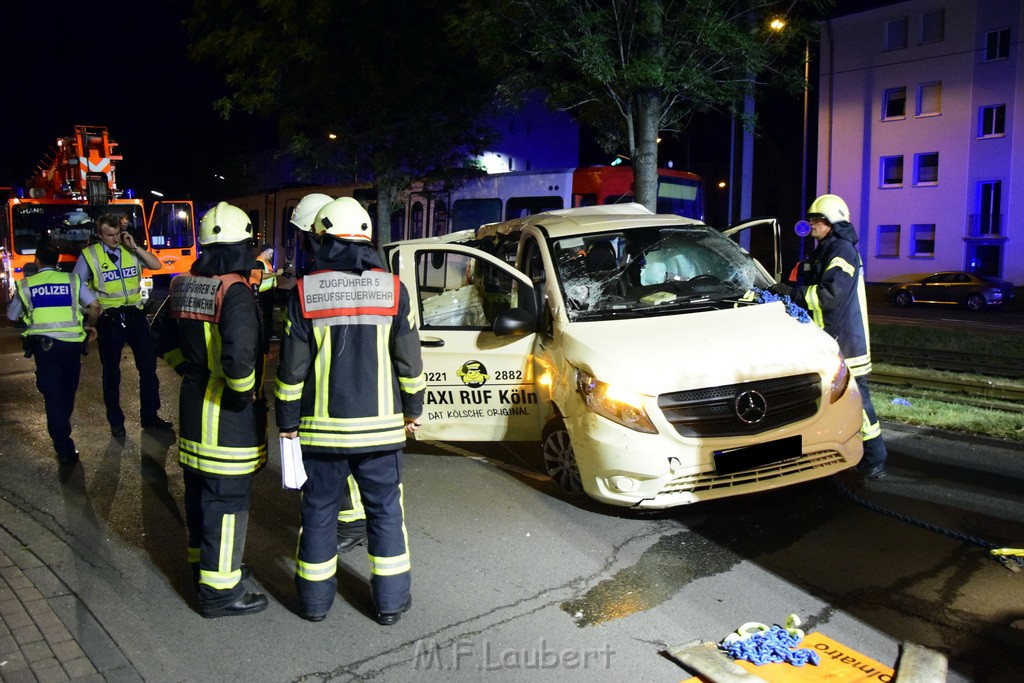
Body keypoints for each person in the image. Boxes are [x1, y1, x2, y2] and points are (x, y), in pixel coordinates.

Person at [275, 197, 425, 624]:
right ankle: (391, 604)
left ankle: (314, 603)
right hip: (381, 435)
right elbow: (409, 363)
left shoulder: (305, 292)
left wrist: (286, 423)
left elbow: (291, 371)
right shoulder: (394, 289)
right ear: (367, 239)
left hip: (322, 435)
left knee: (319, 513)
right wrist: (412, 410)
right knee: (385, 514)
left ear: (322, 239)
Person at [155, 201, 269, 618]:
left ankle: (206, 566)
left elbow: (159, 339)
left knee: (200, 493)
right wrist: (241, 396)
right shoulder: (235, 291)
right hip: (226, 419)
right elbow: (240, 363)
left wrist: (188, 370)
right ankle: (221, 592)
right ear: (242, 243)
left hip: (192, 411)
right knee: (228, 501)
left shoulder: (183, 284)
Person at [780, 194, 888, 479]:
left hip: (847, 343)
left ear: (831, 223)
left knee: (858, 401)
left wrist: (794, 295)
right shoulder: (825, 250)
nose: (810, 224)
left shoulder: (841, 251)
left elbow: (830, 295)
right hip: (829, 340)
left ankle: (875, 458)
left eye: (816, 219)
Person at [288, 192, 369, 555]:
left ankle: (352, 521)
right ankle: (352, 518)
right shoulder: (339, 269)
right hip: (355, 384)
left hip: (336, 388)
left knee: (340, 456)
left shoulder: (322, 278)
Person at [73, 213, 172, 437]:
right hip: (110, 319)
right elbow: (76, 283)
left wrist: (135, 247)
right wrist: (92, 304)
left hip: (135, 315)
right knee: (111, 373)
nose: (115, 239)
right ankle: (116, 421)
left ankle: (150, 416)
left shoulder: (129, 249)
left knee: (148, 369)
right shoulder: (90, 255)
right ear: (100, 235)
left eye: (117, 233)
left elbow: (156, 265)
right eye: (109, 235)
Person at [7, 242, 101, 465]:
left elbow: (12, 317)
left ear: (36, 260)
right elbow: (95, 306)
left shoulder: (26, 285)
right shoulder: (72, 280)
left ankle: (62, 443)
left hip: (45, 348)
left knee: (53, 395)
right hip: (72, 347)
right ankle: (62, 435)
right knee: (67, 392)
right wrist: (91, 325)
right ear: (57, 260)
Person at [253, 243, 283, 341]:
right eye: (270, 253)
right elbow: (261, 276)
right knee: (265, 315)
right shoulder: (259, 262)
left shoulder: (265, 262)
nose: (271, 256)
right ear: (265, 252)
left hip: (267, 292)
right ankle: (267, 335)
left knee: (268, 315)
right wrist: (276, 274)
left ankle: (268, 334)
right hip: (262, 294)